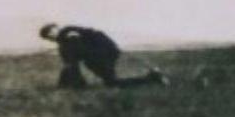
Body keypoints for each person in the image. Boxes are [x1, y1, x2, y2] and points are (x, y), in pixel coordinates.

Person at [39, 23, 168, 89]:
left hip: (99, 55)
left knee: (112, 83)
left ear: (53, 30)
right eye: (48, 37)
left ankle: (152, 78)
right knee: (112, 83)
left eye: (49, 34)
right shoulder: (66, 37)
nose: (50, 38)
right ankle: (152, 78)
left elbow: (72, 59)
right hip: (103, 52)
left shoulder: (67, 33)